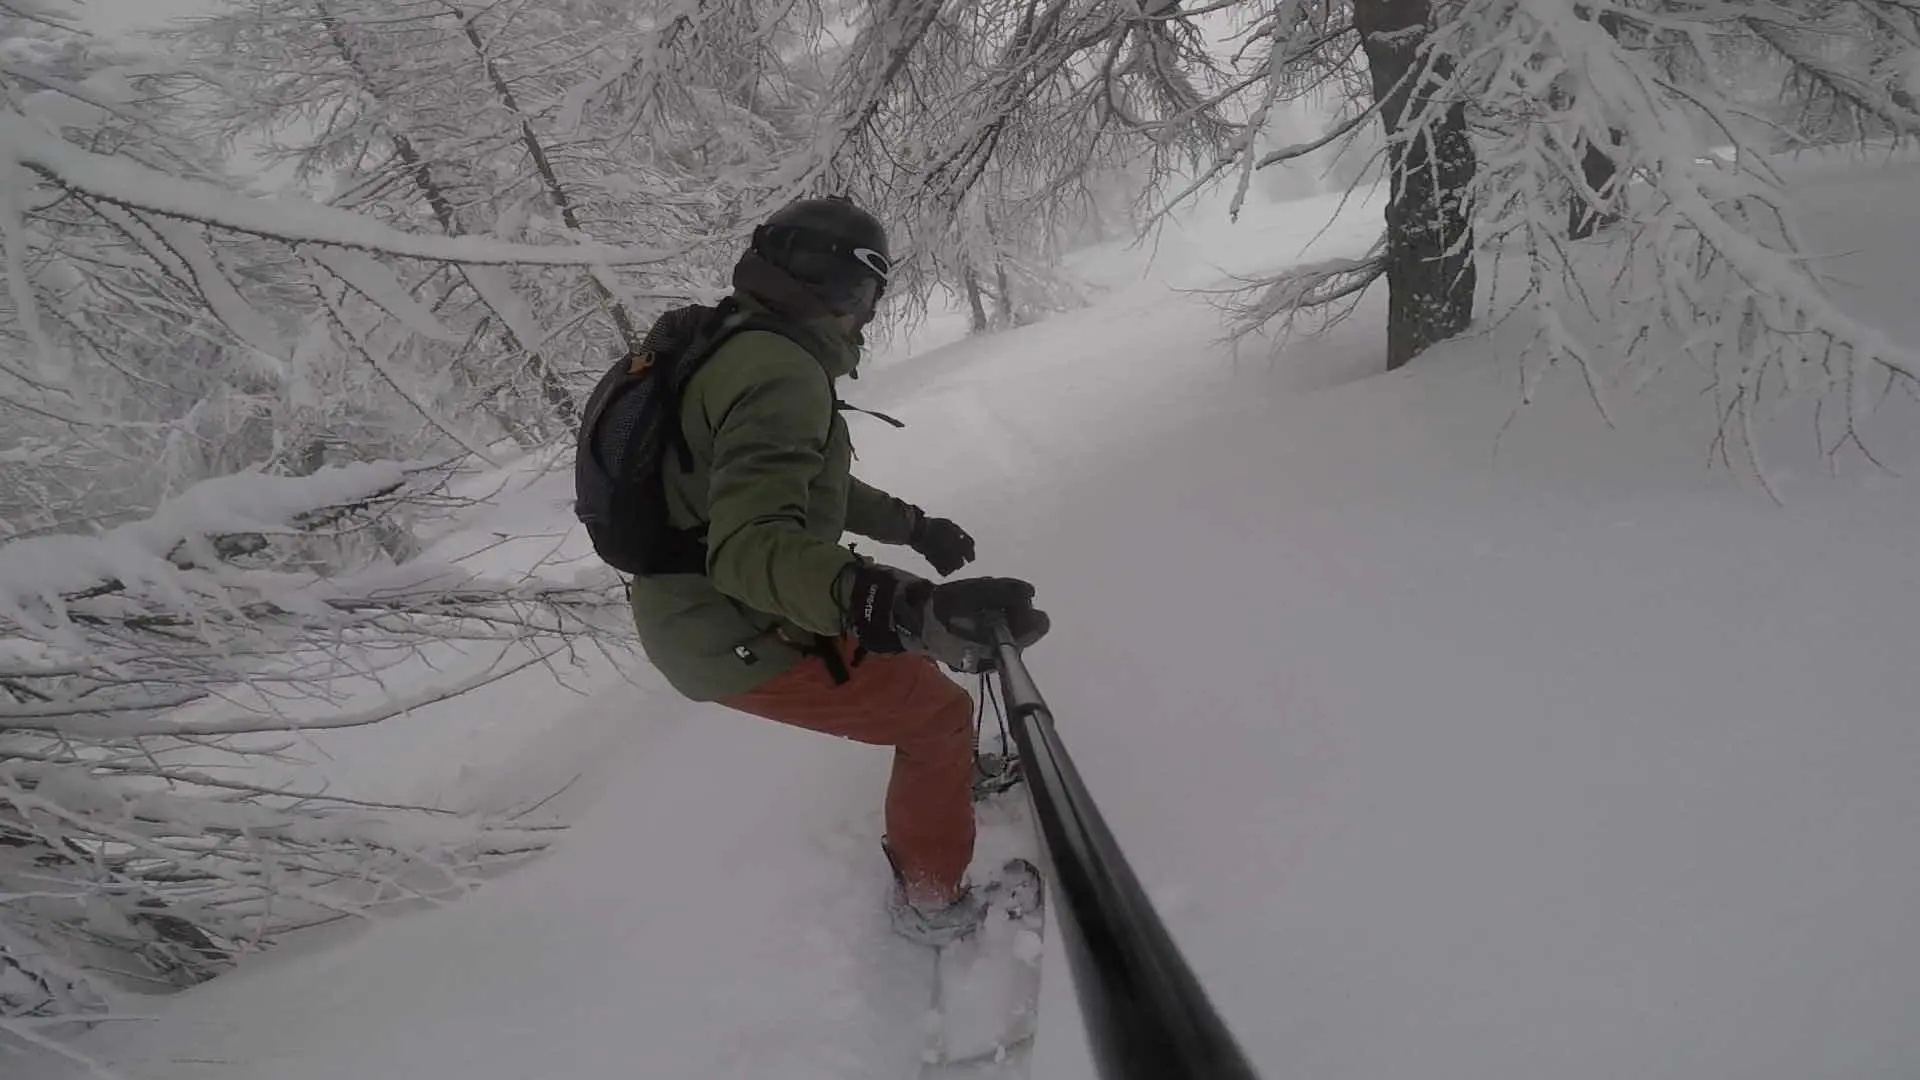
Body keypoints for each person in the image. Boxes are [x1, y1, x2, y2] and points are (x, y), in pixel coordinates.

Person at [626, 194, 1051, 945]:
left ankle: (949, 779)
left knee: (920, 684)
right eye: (862, 293)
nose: (867, 316)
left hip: (735, 609)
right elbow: (750, 550)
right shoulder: (777, 370)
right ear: (827, 283)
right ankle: (930, 901)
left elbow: (803, 483)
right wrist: (904, 607)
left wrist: (912, 527)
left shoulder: (735, 342)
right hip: (739, 627)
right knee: (935, 716)